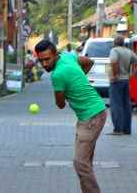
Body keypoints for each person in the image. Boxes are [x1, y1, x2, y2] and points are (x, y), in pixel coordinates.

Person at [34, 40, 107, 193]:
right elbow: (89, 62)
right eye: (41, 60)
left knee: (80, 163)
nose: (44, 64)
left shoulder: (57, 75)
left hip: (91, 117)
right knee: (85, 162)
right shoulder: (68, 56)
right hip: (96, 112)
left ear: (55, 54)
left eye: (47, 59)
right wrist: (78, 78)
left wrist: (71, 84)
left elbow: (60, 104)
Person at [108, 34, 137, 135]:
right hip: (126, 80)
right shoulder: (128, 51)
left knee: (116, 105)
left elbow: (114, 62)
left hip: (117, 81)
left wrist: (115, 75)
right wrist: (132, 75)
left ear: (115, 42)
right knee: (126, 105)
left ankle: (118, 129)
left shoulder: (114, 50)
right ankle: (127, 129)